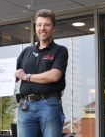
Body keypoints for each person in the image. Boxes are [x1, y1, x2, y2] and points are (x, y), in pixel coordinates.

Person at [15, 9, 68, 137]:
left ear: (53, 28)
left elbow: (54, 75)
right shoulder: (26, 51)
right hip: (25, 106)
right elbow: (12, 75)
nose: (42, 28)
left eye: (46, 24)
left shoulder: (60, 51)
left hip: (49, 105)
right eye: (39, 25)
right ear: (35, 28)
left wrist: (27, 77)